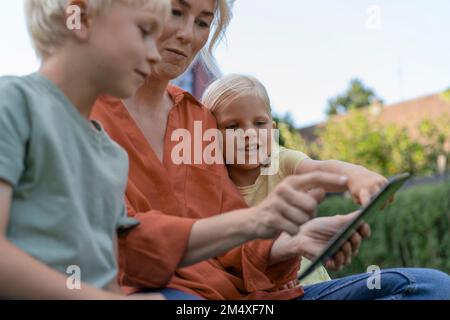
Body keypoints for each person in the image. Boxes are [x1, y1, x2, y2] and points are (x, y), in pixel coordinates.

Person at [91, 0, 382, 300]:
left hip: (241, 299)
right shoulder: (84, 112)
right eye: (176, 12)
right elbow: (119, 243)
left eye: (203, 22)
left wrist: (292, 243)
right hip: (164, 296)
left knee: (423, 286)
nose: (188, 35)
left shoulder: (199, 119)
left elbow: (235, 233)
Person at [202, 73, 450, 299]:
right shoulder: (207, 186)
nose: (249, 134)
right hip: (259, 297)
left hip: (309, 287)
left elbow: (321, 169)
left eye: (259, 123)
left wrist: (356, 175)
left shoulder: (278, 159)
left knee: (430, 288)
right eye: (232, 126)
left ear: (273, 129)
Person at [0, 0, 170, 299]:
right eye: (145, 31)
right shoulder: (12, 103)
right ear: (81, 18)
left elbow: (104, 279)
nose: (155, 55)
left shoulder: (113, 156)